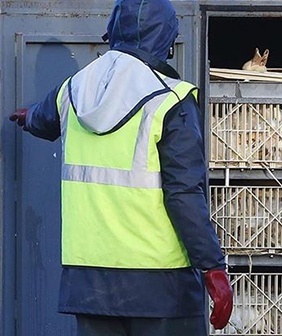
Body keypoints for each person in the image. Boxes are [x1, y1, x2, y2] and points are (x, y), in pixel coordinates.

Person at [8, 1, 233, 335]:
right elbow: (184, 194)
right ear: (167, 41)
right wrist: (213, 268)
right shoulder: (170, 99)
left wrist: (26, 118)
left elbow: (42, 118)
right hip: (161, 286)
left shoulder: (74, 89)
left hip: (89, 285)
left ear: (112, 33)